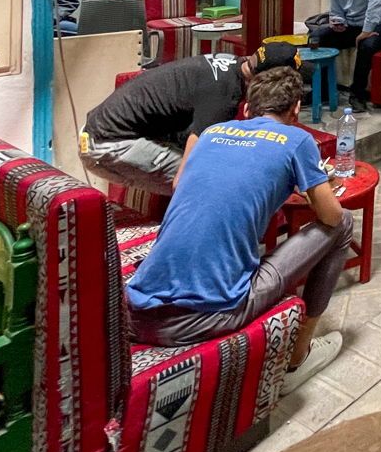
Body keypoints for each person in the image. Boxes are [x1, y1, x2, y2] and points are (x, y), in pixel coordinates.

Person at [127, 66, 351, 394]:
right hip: (203, 317)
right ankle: (298, 356)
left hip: (139, 312)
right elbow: (330, 216)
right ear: (296, 110)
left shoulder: (213, 133)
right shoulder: (298, 139)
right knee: (344, 224)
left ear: (247, 109)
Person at [80, 42, 305, 196]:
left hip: (102, 130)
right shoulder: (224, 97)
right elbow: (185, 177)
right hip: (106, 145)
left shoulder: (230, 64)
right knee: (206, 182)